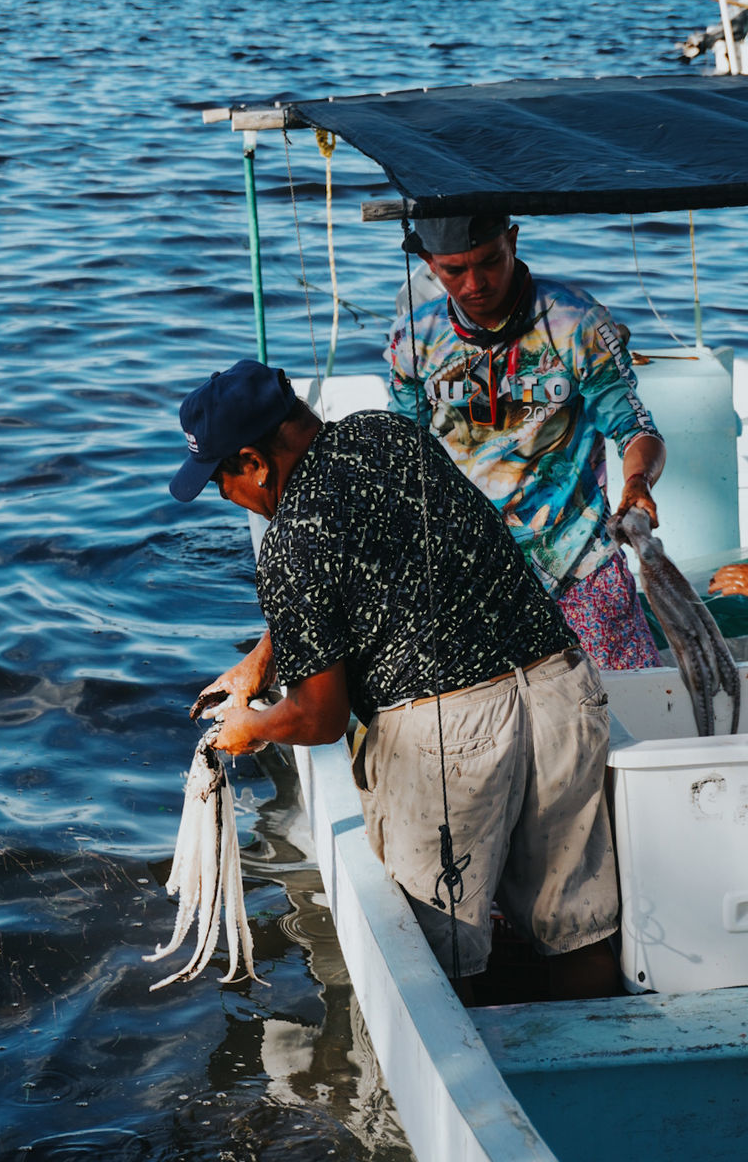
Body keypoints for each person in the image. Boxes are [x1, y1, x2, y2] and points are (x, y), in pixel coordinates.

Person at [170, 358, 620, 1002]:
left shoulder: (291, 540)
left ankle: (466, 1095)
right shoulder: (386, 434)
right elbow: (381, 563)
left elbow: (321, 717)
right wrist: (262, 659)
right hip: (559, 687)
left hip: (451, 739)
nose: (222, 494)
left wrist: (253, 727)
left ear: (254, 461)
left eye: (219, 478)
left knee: (440, 967)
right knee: (576, 930)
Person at [387, 214, 666, 670]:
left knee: (630, 705)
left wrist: (639, 482)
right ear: (428, 263)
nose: (476, 283)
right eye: (455, 270)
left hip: (580, 562)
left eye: (490, 261)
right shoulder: (413, 340)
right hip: (470, 573)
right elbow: (408, 454)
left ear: (512, 241)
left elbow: (635, 429)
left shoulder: (576, 322)